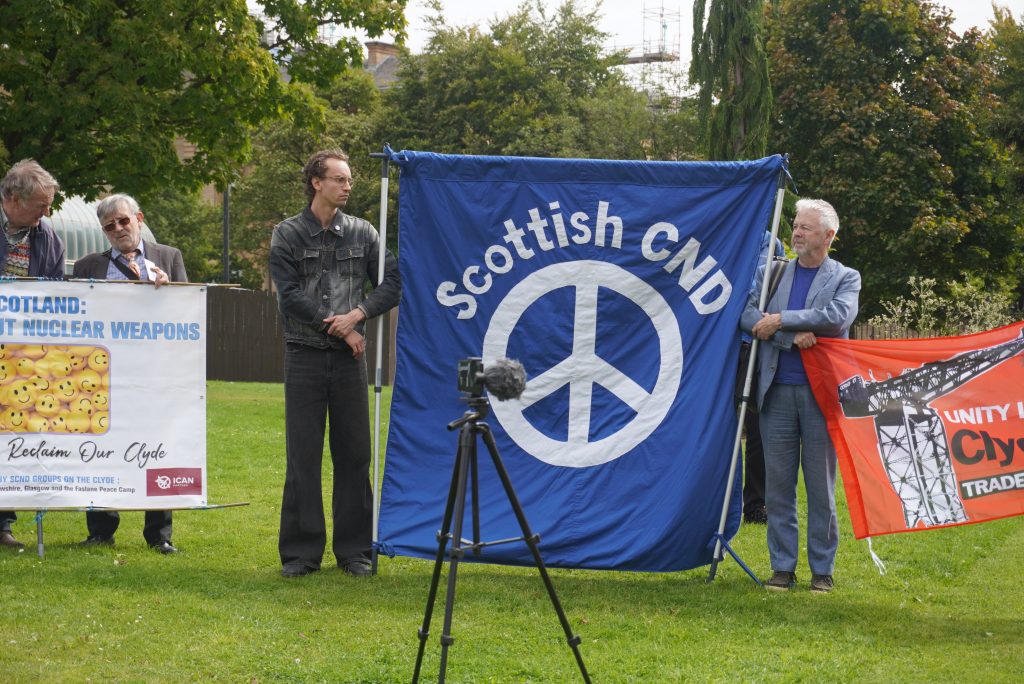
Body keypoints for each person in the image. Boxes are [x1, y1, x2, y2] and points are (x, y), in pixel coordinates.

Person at [269, 149, 401, 578]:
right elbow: (289, 295)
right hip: (303, 355)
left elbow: (393, 283)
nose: (348, 186)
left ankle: (355, 552)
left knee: (355, 456)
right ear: (316, 182)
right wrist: (341, 328)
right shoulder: (286, 234)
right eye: (340, 179)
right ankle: (301, 555)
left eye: (349, 180)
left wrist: (358, 315)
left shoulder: (364, 233)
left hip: (349, 364)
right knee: (302, 457)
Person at [741, 198, 860, 593]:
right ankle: (782, 568)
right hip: (775, 391)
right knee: (778, 487)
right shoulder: (770, 273)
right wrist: (791, 336)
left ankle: (822, 571)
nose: (796, 232)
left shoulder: (846, 277)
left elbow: (836, 317)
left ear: (829, 236)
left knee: (821, 488)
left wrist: (779, 320)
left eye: (806, 227)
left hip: (820, 395)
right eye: (796, 224)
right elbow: (744, 314)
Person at [72, 193, 187, 554]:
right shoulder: (87, 266)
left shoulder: (169, 257)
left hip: (156, 372)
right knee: (99, 446)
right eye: (110, 226)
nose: (118, 229)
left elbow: (187, 313)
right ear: (103, 232)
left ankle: (159, 533)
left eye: (123, 221)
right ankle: (101, 528)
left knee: (158, 446)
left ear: (138, 217)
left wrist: (169, 293)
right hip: (104, 372)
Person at [0, 159, 64, 549]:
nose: (48, 212)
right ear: (11, 198)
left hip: (22, 358)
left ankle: (3, 524)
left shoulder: (49, 237)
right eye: (41, 205)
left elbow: (56, 295)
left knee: (9, 438)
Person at [739, 230, 785, 525]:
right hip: (712, 343)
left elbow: (768, 285)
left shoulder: (769, 241)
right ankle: (715, 502)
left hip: (751, 343)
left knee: (757, 426)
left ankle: (756, 504)